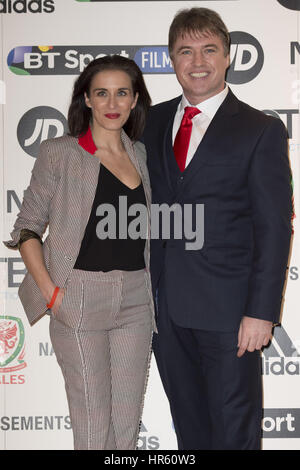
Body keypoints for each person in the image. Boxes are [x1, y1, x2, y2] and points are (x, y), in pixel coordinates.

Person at [142, 7, 293, 450]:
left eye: (209, 49)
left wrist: (262, 312)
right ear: (171, 59)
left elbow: (274, 228)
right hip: (163, 314)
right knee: (190, 432)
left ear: (228, 57)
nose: (198, 61)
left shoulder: (260, 130)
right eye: (185, 51)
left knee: (234, 433)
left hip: (231, 317)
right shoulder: (147, 122)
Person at [4, 55, 156, 450]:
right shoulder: (60, 152)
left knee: (125, 427)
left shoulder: (140, 154)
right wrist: (54, 294)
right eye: (101, 93)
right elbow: (27, 228)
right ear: (86, 100)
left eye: (122, 93)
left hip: (137, 298)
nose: (112, 103)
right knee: (92, 429)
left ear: (134, 98)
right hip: (79, 295)